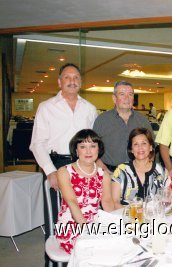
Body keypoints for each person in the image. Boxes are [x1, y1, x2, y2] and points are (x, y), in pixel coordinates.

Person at [29, 63, 97, 266]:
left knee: (85, 217)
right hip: (56, 164)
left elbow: (93, 142)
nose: (72, 81)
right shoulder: (47, 107)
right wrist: (50, 171)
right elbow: (37, 143)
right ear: (59, 81)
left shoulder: (90, 108)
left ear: (81, 82)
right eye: (67, 77)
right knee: (56, 223)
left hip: (83, 166)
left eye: (76, 77)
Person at [55, 129, 114, 253]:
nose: (88, 151)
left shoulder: (104, 175)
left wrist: (116, 223)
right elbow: (72, 203)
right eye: (82, 146)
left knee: (118, 242)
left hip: (95, 222)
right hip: (71, 224)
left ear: (98, 149)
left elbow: (107, 203)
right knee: (95, 249)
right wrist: (88, 230)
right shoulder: (64, 171)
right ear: (76, 151)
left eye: (93, 146)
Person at [93, 81, 153, 173]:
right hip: (109, 172)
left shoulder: (143, 120)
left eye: (130, 94)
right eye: (122, 94)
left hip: (138, 172)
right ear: (114, 98)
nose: (127, 98)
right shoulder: (102, 120)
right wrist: (103, 168)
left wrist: (146, 169)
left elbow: (152, 147)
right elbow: (92, 147)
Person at [112, 128, 167, 209]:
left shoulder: (161, 171)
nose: (140, 148)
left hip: (154, 217)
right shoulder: (121, 170)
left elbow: (167, 198)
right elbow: (115, 201)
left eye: (144, 143)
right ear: (131, 149)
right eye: (136, 144)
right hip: (127, 217)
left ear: (151, 147)